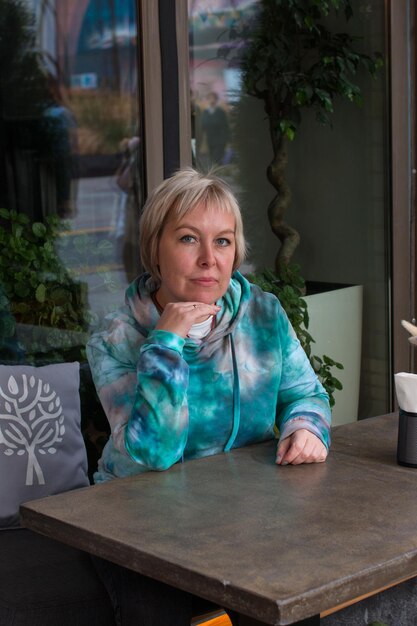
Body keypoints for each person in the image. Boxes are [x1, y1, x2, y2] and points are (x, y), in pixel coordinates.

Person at [87, 167, 331, 625]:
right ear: (154, 249)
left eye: (222, 241)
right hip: (134, 519)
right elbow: (152, 453)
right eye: (187, 239)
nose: (209, 259)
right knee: (153, 612)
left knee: (289, 608)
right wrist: (165, 344)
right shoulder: (114, 339)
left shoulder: (263, 313)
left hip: (242, 514)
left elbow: (306, 394)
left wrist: (306, 426)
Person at [201, 92, 230, 166]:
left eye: (213, 98)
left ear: (216, 100)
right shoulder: (206, 112)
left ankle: (218, 174)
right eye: (209, 98)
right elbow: (203, 126)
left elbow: (225, 127)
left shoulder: (220, 112)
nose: (212, 100)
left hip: (219, 140)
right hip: (210, 140)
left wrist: (225, 140)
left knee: (217, 159)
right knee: (212, 160)